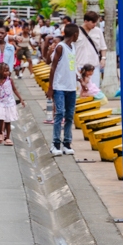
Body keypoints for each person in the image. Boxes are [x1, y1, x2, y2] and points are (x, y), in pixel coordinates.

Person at [47, 23, 80, 155]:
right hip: (59, 86)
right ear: (75, 34)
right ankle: (55, 143)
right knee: (59, 114)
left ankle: (67, 143)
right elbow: (53, 67)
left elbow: (70, 66)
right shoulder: (61, 47)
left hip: (71, 87)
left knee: (69, 116)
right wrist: (50, 87)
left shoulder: (73, 47)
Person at [0, 62, 22, 145]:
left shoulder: (9, 80)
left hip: (9, 103)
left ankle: (8, 137)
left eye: (8, 70)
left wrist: (20, 99)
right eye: (5, 71)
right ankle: (1, 132)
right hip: (0, 102)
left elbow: (14, 90)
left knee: (8, 121)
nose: (7, 72)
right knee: (1, 117)